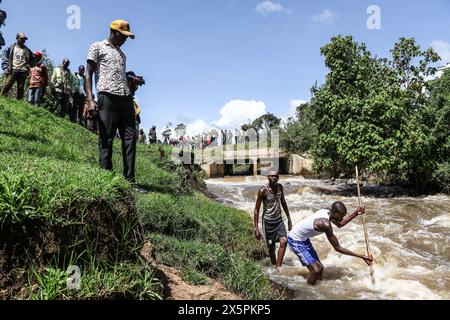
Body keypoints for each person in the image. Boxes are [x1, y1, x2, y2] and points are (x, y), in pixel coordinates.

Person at [85, 19, 137, 182]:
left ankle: (130, 180)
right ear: (114, 32)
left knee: (130, 138)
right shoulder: (97, 47)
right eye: (124, 36)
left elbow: (120, 78)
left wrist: (132, 86)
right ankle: (106, 179)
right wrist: (90, 99)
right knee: (106, 138)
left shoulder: (122, 54)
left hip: (125, 99)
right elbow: (88, 74)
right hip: (107, 97)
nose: (126, 39)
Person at [288, 201, 374, 285]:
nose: (342, 218)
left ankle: (315, 291)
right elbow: (337, 248)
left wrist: (356, 213)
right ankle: (306, 290)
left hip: (304, 239)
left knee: (320, 269)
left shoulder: (328, 212)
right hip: (295, 239)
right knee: (316, 270)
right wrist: (361, 256)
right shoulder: (324, 224)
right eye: (341, 216)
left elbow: (340, 224)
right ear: (335, 212)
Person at [254, 171, 293, 269]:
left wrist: (289, 219)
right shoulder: (263, 190)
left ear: (278, 177)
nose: (274, 177)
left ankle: (277, 268)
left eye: (276, 176)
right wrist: (256, 228)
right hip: (267, 222)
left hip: (279, 220)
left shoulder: (280, 187)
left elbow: (283, 202)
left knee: (284, 241)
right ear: (268, 177)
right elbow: (256, 209)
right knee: (271, 248)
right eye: (271, 176)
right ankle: (273, 264)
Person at [1, 33, 35, 99]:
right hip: (13, 69)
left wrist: (31, 64)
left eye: (24, 39)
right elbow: (4, 57)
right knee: (7, 85)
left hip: (23, 71)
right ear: (17, 38)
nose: (23, 40)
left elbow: (33, 59)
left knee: (21, 88)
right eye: (21, 38)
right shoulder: (11, 47)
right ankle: (2, 98)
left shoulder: (27, 50)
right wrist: (5, 67)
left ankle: (19, 102)